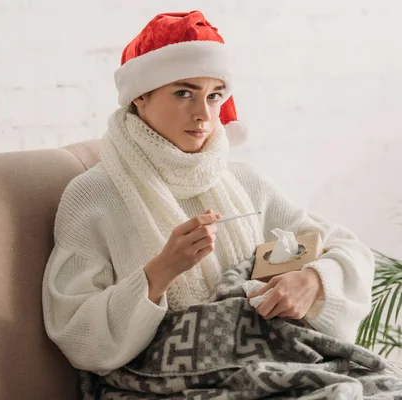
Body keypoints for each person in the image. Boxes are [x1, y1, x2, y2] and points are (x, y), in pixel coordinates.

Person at [41, 10, 374, 377]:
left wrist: (313, 281)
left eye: (214, 95)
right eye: (183, 93)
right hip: (163, 381)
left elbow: (349, 249)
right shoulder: (93, 196)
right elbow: (74, 330)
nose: (203, 113)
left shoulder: (243, 181)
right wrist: (161, 271)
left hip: (267, 367)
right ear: (140, 96)